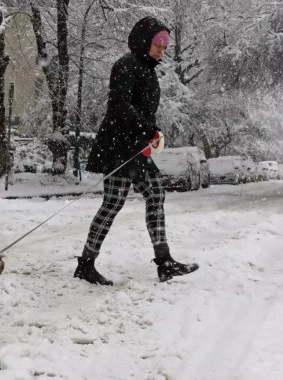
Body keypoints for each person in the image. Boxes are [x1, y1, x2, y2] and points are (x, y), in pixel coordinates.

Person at [75, 17, 199, 285]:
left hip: (136, 148)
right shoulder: (126, 65)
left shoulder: (147, 69)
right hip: (119, 147)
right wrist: (147, 129)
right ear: (145, 40)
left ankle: (164, 262)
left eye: (165, 47)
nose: (161, 50)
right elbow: (120, 105)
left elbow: (141, 109)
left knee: (156, 194)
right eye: (158, 44)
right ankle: (86, 264)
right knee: (112, 204)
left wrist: (151, 131)